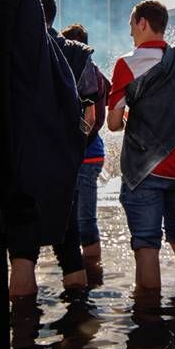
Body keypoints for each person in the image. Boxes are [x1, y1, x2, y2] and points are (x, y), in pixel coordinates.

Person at [107, 0, 175, 290]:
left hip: (144, 172)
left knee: (146, 247)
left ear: (142, 23)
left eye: (131, 25)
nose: (130, 32)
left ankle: (148, 321)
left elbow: (113, 124)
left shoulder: (127, 64)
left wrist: (132, 121)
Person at [8, 0, 98, 298]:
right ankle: (80, 331)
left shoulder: (11, 49)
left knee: (22, 255)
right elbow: (90, 115)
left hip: (20, 166)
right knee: (71, 249)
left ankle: (23, 335)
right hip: (62, 168)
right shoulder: (77, 53)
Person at [61, 23, 111, 281]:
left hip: (78, 153)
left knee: (74, 219)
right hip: (93, 153)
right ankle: (94, 273)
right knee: (86, 216)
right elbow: (110, 98)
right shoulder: (98, 74)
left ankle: (88, 273)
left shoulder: (66, 69)